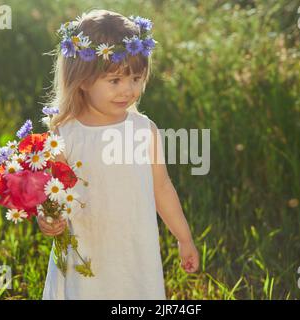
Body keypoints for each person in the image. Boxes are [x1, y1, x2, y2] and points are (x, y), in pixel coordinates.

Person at [38, 9, 199, 300]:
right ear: (84, 80)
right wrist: (48, 219)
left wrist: (183, 237)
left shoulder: (143, 130)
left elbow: (161, 188)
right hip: (85, 252)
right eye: (115, 81)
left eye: (136, 78)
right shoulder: (65, 135)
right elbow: (53, 195)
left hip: (133, 250)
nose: (128, 90)